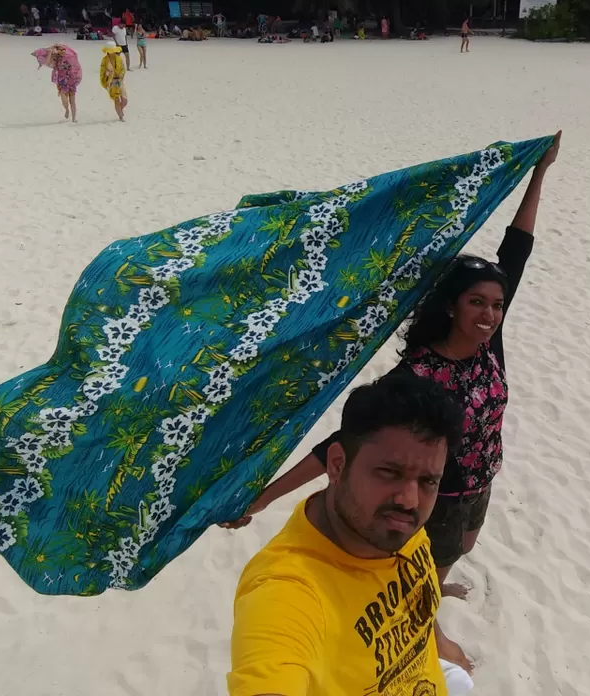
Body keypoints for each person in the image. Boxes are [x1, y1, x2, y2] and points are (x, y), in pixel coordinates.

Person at [222, 133, 563, 600]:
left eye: (497, 305)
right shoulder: (419, 376)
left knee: (463, 546)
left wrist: (538, 172)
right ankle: (433, 624)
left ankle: (438, 584)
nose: (488, 315)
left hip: (483, 480)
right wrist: (263, 499)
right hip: (436, 496)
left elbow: (516, 251)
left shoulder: (489, 344)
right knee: (433, 563)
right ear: (451, 307)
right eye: (476, 303)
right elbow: (341, 443)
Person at [228, 372, 476, 696]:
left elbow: (412, 594)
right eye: (389, 473)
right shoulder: (288, 589)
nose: (409, 501)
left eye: (428, 481)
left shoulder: (388, 525)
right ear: (336, 464)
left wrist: (437, 641)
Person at [32, 44, 82, 123]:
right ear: (57, 50)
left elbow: (75, 65)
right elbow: (47, 62)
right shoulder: (55, 58)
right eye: (60, 50)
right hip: (62, 81)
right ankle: (67, 109)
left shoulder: (69, 57)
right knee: (64, 100)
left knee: (72, 100)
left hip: (71, 79)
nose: (62, 51)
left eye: (63, 50)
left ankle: (74, 117)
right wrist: (50, 51)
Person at [100, 45, 127, 122]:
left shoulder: (119, 59)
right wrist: (108, 74)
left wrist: (121, 74)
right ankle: (120, 116)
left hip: (119, 81)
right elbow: (102, 72)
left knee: (125, 100)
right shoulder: (104, 60)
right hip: (111, 82)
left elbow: (123, 68)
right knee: (116, 99)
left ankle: (119, 110)